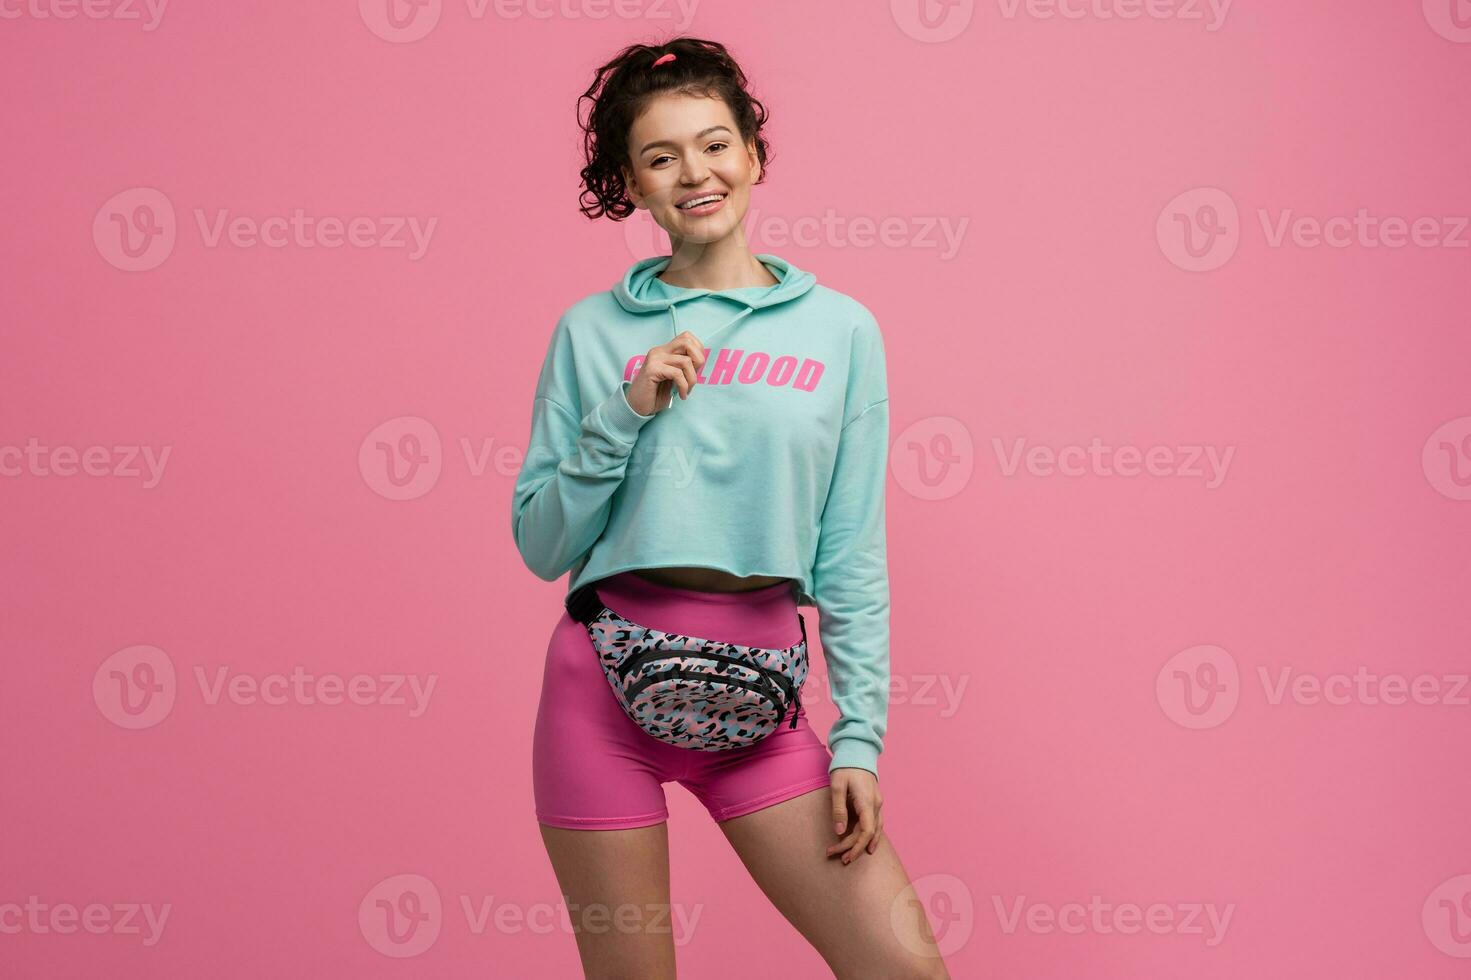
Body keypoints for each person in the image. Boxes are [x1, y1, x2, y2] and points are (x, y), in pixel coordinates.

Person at [511, 36, 950, 980]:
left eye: (714, 145)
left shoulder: (839, 330)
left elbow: (850, 552)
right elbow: (541, 541)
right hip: (601, 693)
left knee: (904, 969)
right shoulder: (592, 332)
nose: (694, 173)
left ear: (752, 152)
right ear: (629, 183)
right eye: (660, 157)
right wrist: (623, 412)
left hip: (764, 702)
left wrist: (860, 738)